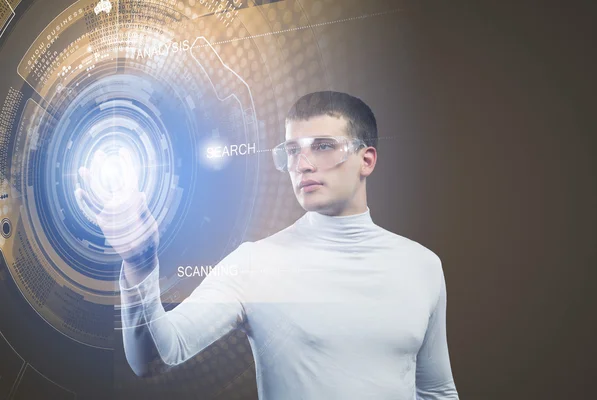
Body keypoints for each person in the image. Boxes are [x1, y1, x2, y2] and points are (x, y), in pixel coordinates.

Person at [75, 91, 459, 399]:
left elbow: (437, 390)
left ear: (367, 160)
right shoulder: (256, 265)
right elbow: (156, 358)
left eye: (323, 146)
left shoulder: (422, 266)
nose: (303, 164)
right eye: (293, 150)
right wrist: (141, 267)